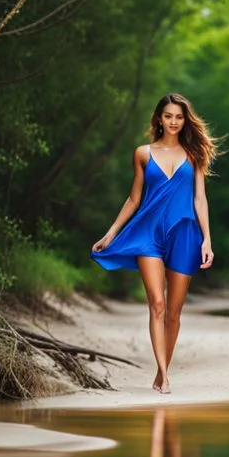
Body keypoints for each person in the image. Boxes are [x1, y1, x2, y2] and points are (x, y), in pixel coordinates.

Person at [91, 93, 217, 394]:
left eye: (179, 116)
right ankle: (163, 373)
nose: (173, 121)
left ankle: (163, 372)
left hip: (185, 233)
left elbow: (199, 199)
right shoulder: (143, 153)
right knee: (157, 304)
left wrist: (207, 240)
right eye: (168, 116)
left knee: (174, 312)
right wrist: (110, 234)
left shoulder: (194, 153)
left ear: (185, 120)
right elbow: (134, 197)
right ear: (159, 118)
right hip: (148, 234)